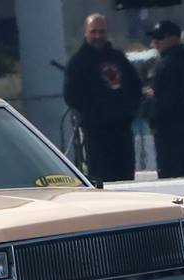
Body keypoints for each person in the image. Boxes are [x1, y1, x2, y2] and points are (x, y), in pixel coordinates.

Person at [64, 13, 142, 183]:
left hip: (122, 132)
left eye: (101, 31)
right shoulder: (78, 62)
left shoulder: (118, 58)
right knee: (102, 179)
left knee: (126, 179)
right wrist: (93, 115)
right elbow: (71, 96)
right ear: (86, 33)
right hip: (97, 135)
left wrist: (128, 112)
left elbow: (135, 86)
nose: (98, 36)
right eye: (93, 32)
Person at [144, 20, 184, 179]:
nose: (155, 42)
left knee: (171, 177)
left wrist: (153, 121)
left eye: (160, 37)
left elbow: (163, 100)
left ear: (174, 38)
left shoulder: (167, 64)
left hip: (170, 134)